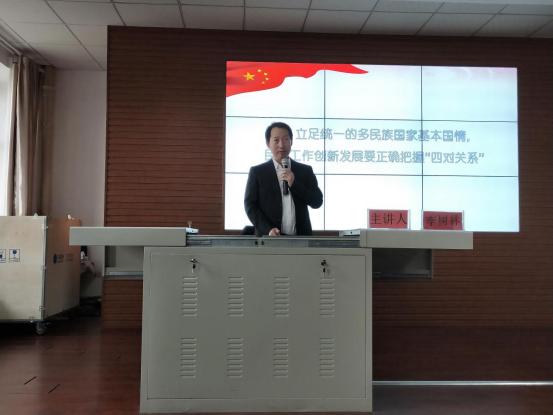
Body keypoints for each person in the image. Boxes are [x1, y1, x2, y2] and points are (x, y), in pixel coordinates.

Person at [244, 122, 323, 236]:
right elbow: (250, 206)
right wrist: (268, 229)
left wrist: (294, 184)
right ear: (268, 143)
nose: (281, 145)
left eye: (286, 139)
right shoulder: (258, 172)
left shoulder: (305, 170)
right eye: (276, 140)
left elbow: (317, 201)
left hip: (301, 240)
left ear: (291, 142)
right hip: (269, 239)